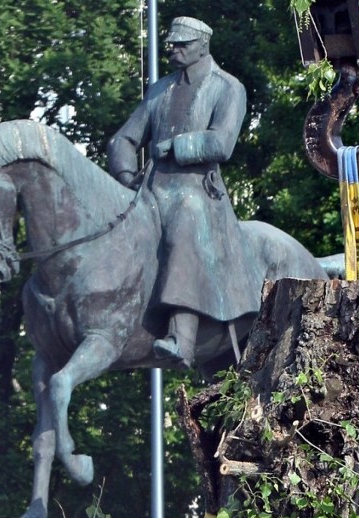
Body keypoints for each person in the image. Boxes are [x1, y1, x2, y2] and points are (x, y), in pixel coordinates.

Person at [107, 15, 263, 368]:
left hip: (197, 192)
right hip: (149, 189)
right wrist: (126, 173)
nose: (174, 50)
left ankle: (182, 335)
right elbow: (124, 138)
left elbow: (222, 143)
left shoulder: (227, 87)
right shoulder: (160, 89)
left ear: (203, 45)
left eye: (182, 45)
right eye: (172, 45)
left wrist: (175, 146)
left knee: (184, 217)